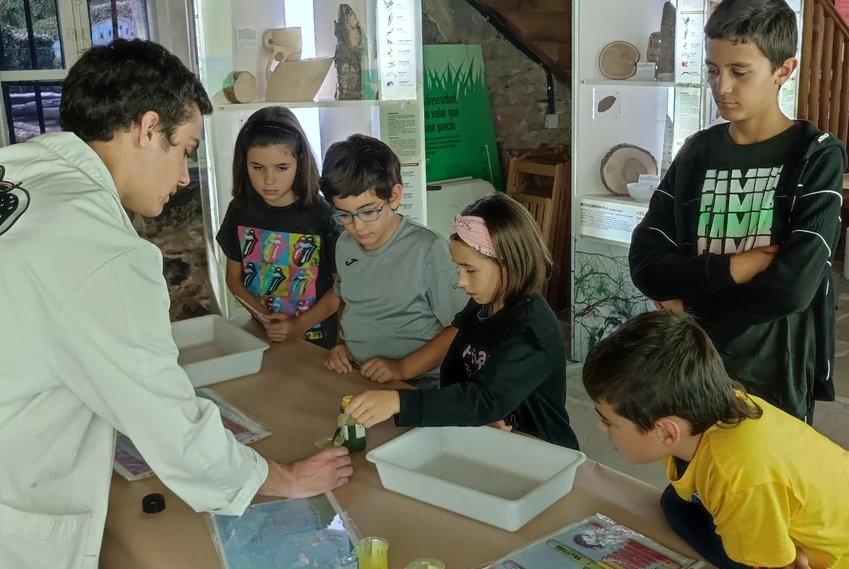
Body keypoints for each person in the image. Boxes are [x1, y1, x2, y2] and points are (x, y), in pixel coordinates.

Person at [0, 40, 352, 569]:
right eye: (184, 149)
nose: (184, 177)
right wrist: (284, 479)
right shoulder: (97, 244)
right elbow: (169, 424)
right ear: (148, 129)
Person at [583, 311, 849, 569]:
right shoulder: (723, 403)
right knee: (676, 505)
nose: (600, 426)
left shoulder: (737, 474)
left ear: (666, 432)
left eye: (609, 420)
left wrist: (773, 563)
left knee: (687, 514)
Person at [627, 0, 846, 422]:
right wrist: (735, 268)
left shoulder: (814, 157)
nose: (722, 87)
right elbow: (645, 264)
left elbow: (792, 288)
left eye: (739, 72)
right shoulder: (697, 152)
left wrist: (689, 304)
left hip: (775, 375)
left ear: (784, 70)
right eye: (713, 70)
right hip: (690, 366)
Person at [343, 194, 579, 449]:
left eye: (470, 270)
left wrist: (400, 402)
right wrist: (469, 414)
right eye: (458, 269)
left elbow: (486, 400)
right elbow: (457, 342)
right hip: (488, 438)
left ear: (508, 265)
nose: (461, 281)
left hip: (540, 449)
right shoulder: (484, 302)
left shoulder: (529, 332)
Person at [316, 134, 469, 389]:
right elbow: (348, 300)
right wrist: (341, 345)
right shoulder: (344, 244)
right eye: (344, 215)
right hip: (360, 376)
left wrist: (402, 368)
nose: (357, 226)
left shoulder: (428, 249)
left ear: (394, 196)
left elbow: (462, 327)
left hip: (418, 385)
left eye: (368, 211)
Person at [216, 106, 341, 348]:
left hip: (318, 345)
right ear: (244, 165)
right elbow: (233, 279)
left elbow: (341, 289)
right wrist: (266, 318)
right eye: (257, 167)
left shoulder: (324, 215)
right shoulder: (239, 210)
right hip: (263, 337)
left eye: (282, 168)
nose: (269, 179)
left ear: (300, 163)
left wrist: (298, 326)